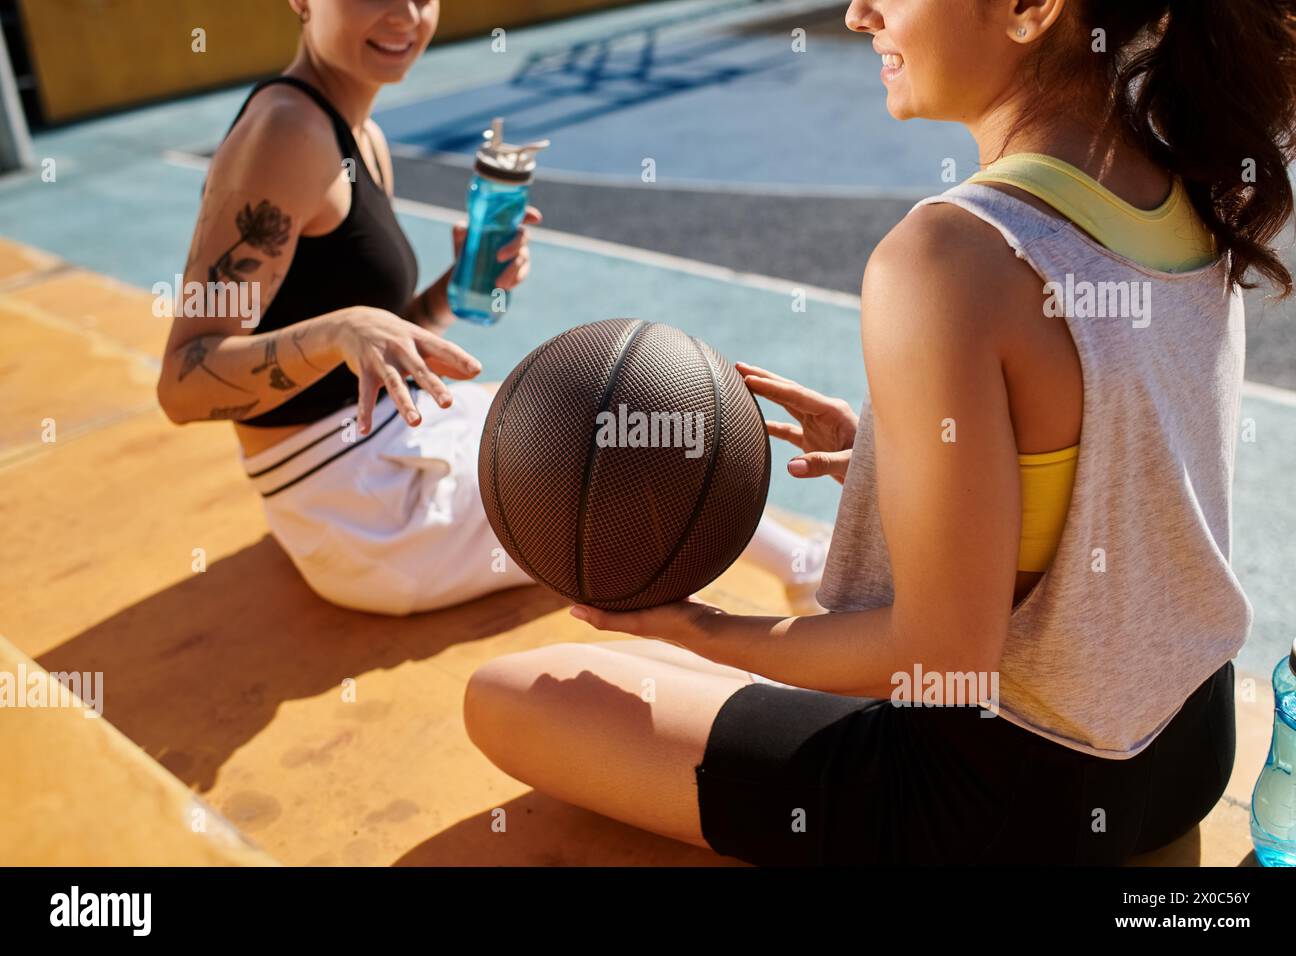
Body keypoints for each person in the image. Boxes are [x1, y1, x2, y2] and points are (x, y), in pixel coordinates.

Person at [463, 0, 1296, 865]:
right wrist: (895, 452)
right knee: (698, 682)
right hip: (1183, 750)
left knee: (514, 694)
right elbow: (1124, 451)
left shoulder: (951, 255)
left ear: (1027, 10)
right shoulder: (1180, 173)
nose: (860, 13)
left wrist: (695, 627)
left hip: (1006, 800)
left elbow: (943, 657)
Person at [156, 0, 827, 618]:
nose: (405, 14)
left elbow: (364, 349)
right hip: (364, 514)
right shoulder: (285, 134)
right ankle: (807, 570)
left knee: (596, 402)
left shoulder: (359, 132)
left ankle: (801, 561)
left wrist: (448, 293)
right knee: (641, 430)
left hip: (380, 452)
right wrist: (342, 329)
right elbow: (183, 383)